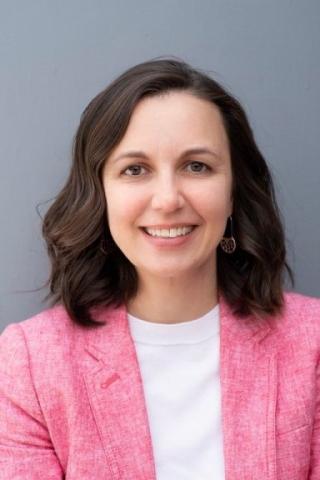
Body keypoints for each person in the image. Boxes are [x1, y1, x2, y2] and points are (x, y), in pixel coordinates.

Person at [0, 58, 319, 480]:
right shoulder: (29, 364)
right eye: (135, 169)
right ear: (100, 194)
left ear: (233, 194)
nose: (168, 199)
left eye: (197, 166)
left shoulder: (312, 344)